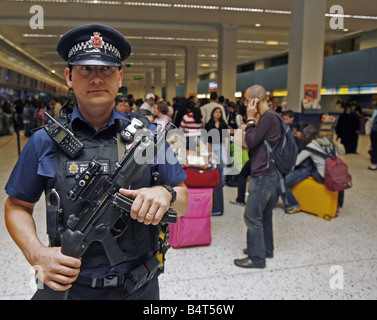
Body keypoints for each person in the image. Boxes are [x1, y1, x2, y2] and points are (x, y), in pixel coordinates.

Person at [4, 24, 188, 300]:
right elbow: (16, 206)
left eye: (106, 70)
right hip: (71, 288)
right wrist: (37, 253)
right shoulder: (44, 141)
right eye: (85, 69)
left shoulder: (147, 137)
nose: (96, 78)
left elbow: (184, 199)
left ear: (120, 77)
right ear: (68, 76)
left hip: (140, 287)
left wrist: (165, 193)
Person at [234, 85, 281, 269]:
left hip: (263, 174)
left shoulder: (267, 118)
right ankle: (265, 249)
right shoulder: (272, 117)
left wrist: (251, 119)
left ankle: (256, 258)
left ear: (255, 101)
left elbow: (252, 141)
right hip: (270, 172)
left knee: (252, 216)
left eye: (247, 100)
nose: (245, 104)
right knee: (265, 214)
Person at [205, 107, 229, 186]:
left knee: (222, 165)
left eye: (219, 112)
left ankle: (222, 182)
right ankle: (212, 181)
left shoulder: (223, 124)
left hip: (221, 145)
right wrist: (209, 150)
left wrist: (225, 148)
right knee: (212, 165)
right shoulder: (208, 124)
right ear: (212, 113)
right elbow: (206, 139)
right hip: (211, 145)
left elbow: (226, 137)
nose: (217, 114)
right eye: (216, 112)